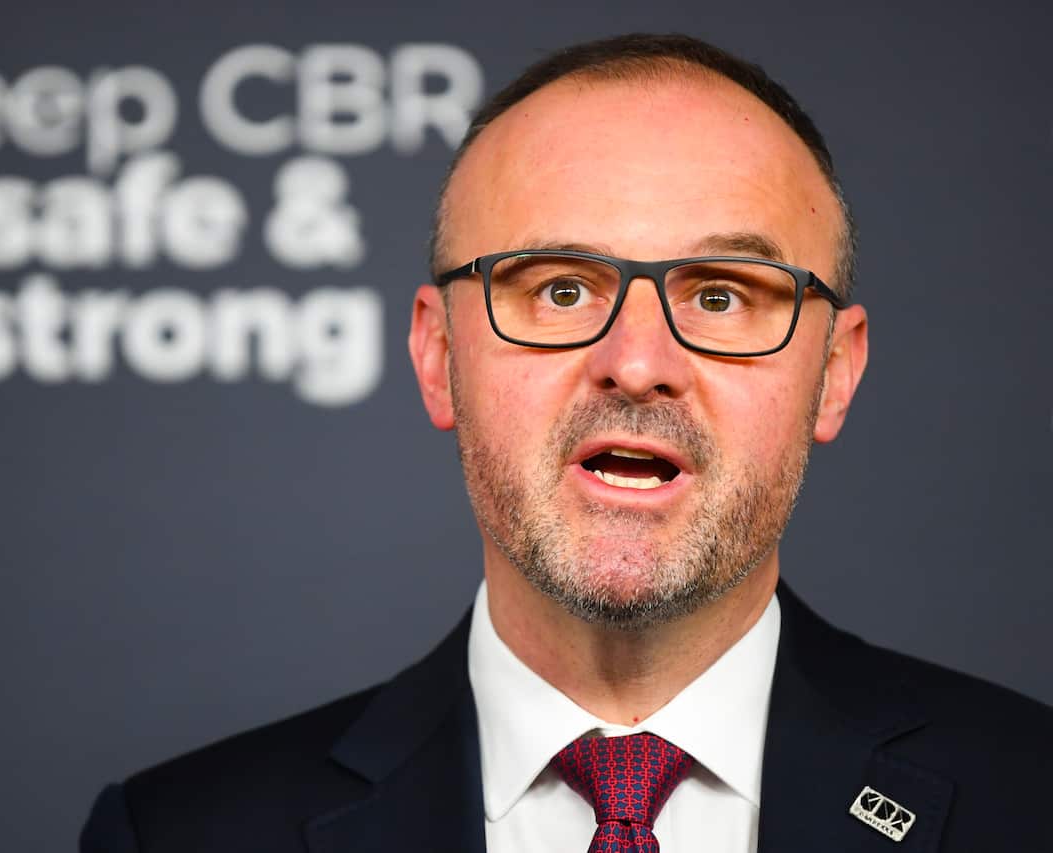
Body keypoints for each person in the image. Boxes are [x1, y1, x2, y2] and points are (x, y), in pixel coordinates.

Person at [79, 33, 1052, 853]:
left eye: (719, 296)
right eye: (557, 289)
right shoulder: (177, 832)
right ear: (436, 355)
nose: (636, 363)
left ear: (832, 372)